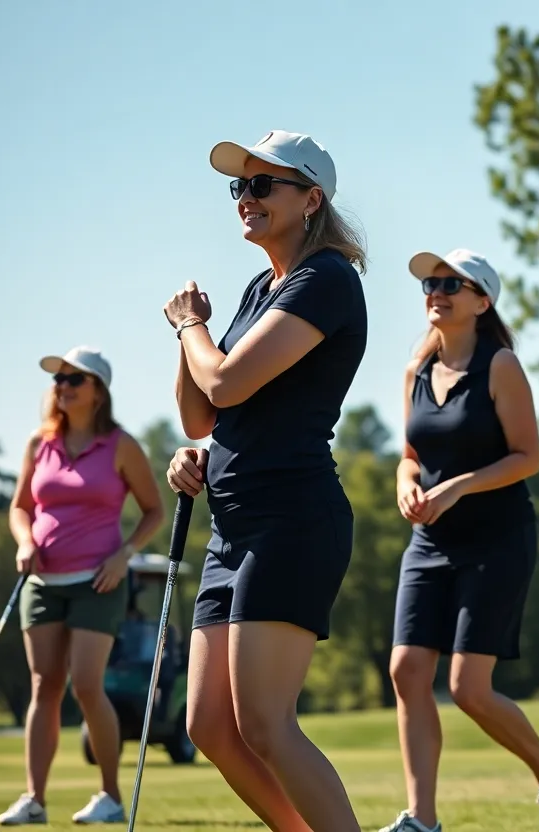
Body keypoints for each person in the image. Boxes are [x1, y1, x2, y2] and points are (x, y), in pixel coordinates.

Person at [163, 130, 368, 832]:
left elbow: (222, 378)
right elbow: (200, 411)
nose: (244, 199)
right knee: (210, 727)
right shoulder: (262, 288)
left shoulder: (327, 278)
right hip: (233, 523)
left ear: (311, 199)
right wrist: (200, 450)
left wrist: (192, 326)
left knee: (267, 725)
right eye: (238, 187)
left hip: (291, 520)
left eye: (261, 185)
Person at [380, 248, 539, 832]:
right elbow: (410, 457)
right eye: (431, 283)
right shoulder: (414, 371)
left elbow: (528, 457)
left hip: (497, 540)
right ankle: (422, 818)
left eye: (453, 283)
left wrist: (457, 489)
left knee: (468, 688)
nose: (436, 291)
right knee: (405, 671)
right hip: (429, 543)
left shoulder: (500, 366)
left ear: (482, 301)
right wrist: (406, 484)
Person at [0, 346, 165, 826]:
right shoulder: (39, 443)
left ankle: (110, 796)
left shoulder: (120, 445)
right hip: (43, 580)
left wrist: (124, 554)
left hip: (99, 580)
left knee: (87, 685)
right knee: (43, 687)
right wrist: (23, 540)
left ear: (98, 393)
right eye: (59, 380)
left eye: (75, 380)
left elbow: (154, 510)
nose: (63, 387)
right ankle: (35, 799)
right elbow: (19, 507)